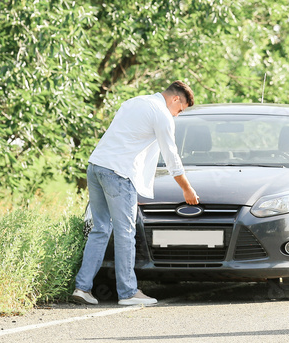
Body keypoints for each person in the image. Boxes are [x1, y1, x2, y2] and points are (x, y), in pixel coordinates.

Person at [71, 81, 200, 306]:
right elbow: (172, 158)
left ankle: (82, 288)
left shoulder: (134, 102)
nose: (177, 116)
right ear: (175, 99)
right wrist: (187, 189)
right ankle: (128, 292)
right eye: (179, 110)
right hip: (119, 174)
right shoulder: (161, 114)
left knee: (100, 229)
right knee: (125, 233)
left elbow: (127, 140)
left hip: (96, 166)